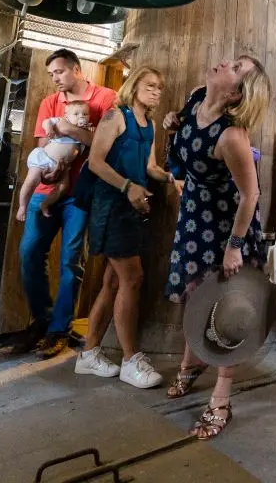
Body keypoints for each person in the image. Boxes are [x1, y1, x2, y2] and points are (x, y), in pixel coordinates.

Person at [160, 56, 272, 440]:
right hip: (194, 215)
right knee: (195, 297)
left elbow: (251, 194)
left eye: (235, 67)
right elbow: (179, 152)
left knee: (227, 312)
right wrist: (170, 123)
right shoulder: (193, 101)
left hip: (227, 226)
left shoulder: (231, 137)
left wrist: (234, 247)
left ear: (236, 91)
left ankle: (221, 398)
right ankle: (192, 364)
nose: (224, 62)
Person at [73, 66, 170, 389]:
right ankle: (131, 359)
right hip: (111, 206)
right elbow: (96, 162)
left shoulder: (150, 124)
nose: (155, 91)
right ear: (134, 86)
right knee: (133, 277)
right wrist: (128, 187)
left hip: (134, 208)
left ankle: (88, 355)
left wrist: (171, 178)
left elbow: (150, 167)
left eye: (159, 88)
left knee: (113, 282)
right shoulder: (117, 116)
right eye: (150, 85)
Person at [19, 49, 117, 359]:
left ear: (77, 69)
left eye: (60, 71)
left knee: (71, 260)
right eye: (51, 74)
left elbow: (104, 143)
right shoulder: (49, 103)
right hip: (46, 189)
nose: (55, 78)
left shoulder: (105, 99)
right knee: (29, 253)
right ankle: (42, 319)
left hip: (80, 194)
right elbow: (43, 143)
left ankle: (59, 330)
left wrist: (69, 129)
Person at [16, 100, 90, 222]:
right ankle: (23, 206)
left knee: (63, 187)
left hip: (64, 166)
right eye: (76, 114)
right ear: (67, 116)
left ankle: (45, 204)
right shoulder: (62, 121)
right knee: (31, 180)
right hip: (44, 160)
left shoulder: (86, 130)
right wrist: (49, 128)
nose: (81, 117)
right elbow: (47, 121)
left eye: (85, 114)